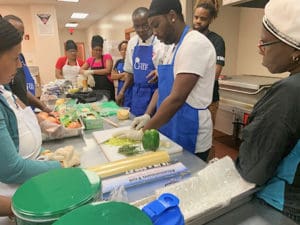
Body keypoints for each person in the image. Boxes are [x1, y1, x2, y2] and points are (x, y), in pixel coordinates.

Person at [114, 0, 216, 161]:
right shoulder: (171, 48)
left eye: (156, 25)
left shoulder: (194, 44)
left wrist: (143, 131)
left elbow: (177, 98)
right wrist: (147, 115)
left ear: (172, 16)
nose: (153, 32)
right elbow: (162, 88)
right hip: (171, 125)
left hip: (190, 129)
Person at [234, 0, 300, 222]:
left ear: (294, 49)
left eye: (265, 43)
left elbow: (253, 169)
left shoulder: (290, 93)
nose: (259, 49)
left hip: (279, 207)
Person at [115, 7, 166, 116]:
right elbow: (130, 73)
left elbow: (165, 74)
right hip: (137, 94)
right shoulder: (132, 43)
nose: (141, 30)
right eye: (137, 26)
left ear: (151, 23)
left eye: (145, 25)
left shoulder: (160, 42)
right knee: (136, 125)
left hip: (156, 93)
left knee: (154, 128)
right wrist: (122, 92)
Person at [3, 15, 51, 112]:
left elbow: (23, 90)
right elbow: (10, 98)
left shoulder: (21, 57)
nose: (18, 38)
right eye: (15, 33)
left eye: (21, 34)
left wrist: (42, 107)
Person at [193, 0, 225, 127]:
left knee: (206, 138)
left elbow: (215, 73)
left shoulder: (217, 41)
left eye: (203, 18)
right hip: (189, 98)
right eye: (196, 17)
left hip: (209, 100)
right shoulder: (189, 38)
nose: (198, 21)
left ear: (211, 19)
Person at [80, 35, 115, 100]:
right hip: (95, 90)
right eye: (96, 50)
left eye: (100, 50)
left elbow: (108, 70)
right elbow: (80, 70)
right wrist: (86, 73)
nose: (98, 52)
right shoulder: (90, 60)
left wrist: (92, 71)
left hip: (107, 90)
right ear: (92, 50)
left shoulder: (107, 57)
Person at [111, 40, 132, 107]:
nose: (124, 52)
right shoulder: (118, 62)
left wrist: (119, 76)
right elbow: (113, 76)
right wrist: (123, 74)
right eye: (122, 50)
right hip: (120, 90)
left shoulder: (132, 62)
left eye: (126, 49)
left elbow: (129, 77)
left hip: (130, 91)